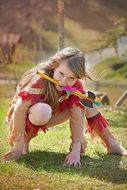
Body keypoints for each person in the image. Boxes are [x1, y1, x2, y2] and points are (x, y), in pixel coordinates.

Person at [2, 47, 127, 166]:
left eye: (71, 78)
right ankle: (24, 139)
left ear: (77, 78)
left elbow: (77, 113)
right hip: (23, 118)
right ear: (54, 67)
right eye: (61, 74)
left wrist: (76, 148)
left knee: (86, 101)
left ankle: (111, 143)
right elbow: (19, 110)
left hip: (51, 113)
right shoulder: (39, 81)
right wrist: (18, 143)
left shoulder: (75, 86)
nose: (63, 82)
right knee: (42, 110)